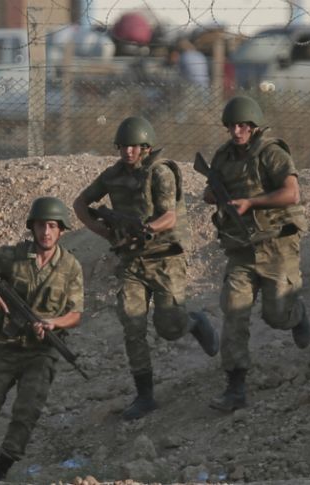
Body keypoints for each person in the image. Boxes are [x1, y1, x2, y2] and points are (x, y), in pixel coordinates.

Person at [73, 116, 219, 421]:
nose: (129, 151)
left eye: (134, 146)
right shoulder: (111, 176)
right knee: (131, 320)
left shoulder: (160, 172)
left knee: (169, 327)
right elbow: (81, 204)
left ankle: (193, 323)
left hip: (165, 257)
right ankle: (145, 395)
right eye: (124, 146)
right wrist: (104, 231)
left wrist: (148, 230)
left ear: (146, 147)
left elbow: (169, 217)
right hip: (132, 262)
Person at [201, 95, 310, 412]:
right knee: (234, 312)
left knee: (276, 315)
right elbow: (211, 191)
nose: (237, 131)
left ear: (253, 126)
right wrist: (216, 196)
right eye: (232, 126)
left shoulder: (271, 153)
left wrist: (251, 202)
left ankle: (297, 313)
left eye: (243, 126)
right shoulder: (223, 157)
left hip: (277, 243)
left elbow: (292, 193)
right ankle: (235, 388)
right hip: (241, 249)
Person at [0, 196, 84, 481]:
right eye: (41, 225)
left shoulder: (70, 267)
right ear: (32, 227)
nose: (46, 232)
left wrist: (53, 323)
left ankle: (1, 468)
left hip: (41, 351)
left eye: (52, 226)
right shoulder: (9, 257)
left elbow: (76, 313)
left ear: (61, 230)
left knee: (27, 409)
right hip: (5, 347)